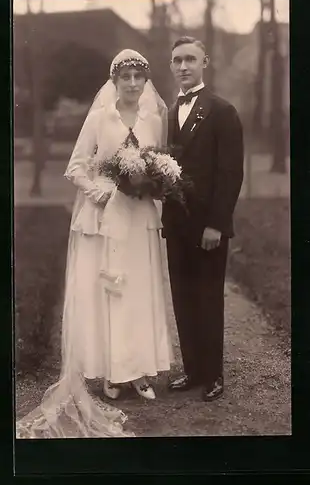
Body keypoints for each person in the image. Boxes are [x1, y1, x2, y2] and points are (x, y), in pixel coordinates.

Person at [16, 49, 172, 439]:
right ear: (115, 82)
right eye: (126, 78)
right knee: (111, 292)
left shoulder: (154, 119)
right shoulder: (102, 119)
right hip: (106, 219)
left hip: (141, 220)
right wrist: (97, 188)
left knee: (140, 291)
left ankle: (140, 372)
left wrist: (158, 180)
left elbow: (158, 164)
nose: (133, 84)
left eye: (139, 76)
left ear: (145, 80)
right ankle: (112, 373)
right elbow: (75, 166)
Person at [162, 36, 244, 402]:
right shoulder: (169, 112)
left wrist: (216, 223)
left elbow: (231, 174)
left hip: (207, 226)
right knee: (182, 297)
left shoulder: (222, 111)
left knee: (208, 298)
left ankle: (213, 375)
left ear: (204, 62)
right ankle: (193, 370)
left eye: (190, 59)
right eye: (177, 60)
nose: (183, 66)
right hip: (177, 224)